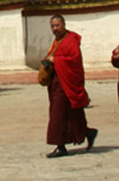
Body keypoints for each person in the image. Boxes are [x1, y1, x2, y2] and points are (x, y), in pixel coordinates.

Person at [42, 15, 97, 158]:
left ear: (64, 24)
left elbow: (75, 60)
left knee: (57, 114)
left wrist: (56, 60)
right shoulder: (58, 41)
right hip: (58, 81)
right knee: (71, 114)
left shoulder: (70, 40)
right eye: (52, 26)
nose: (55, 29)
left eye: (57, 25)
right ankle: (87, 132)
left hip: (66, 82)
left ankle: (61, 146)